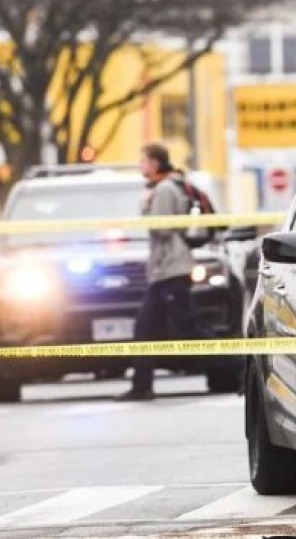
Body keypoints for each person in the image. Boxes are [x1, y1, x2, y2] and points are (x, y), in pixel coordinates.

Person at [116, 143, 198, 401]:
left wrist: (145, 206)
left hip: (170, 269)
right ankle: (141, 386)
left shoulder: (163, 189)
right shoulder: (170, 185)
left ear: (154, 163)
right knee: (146, 328)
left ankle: (239, 368)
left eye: (143, 161)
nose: (141, 167)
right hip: (165, 271)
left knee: (188, 329)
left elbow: (160, 229)